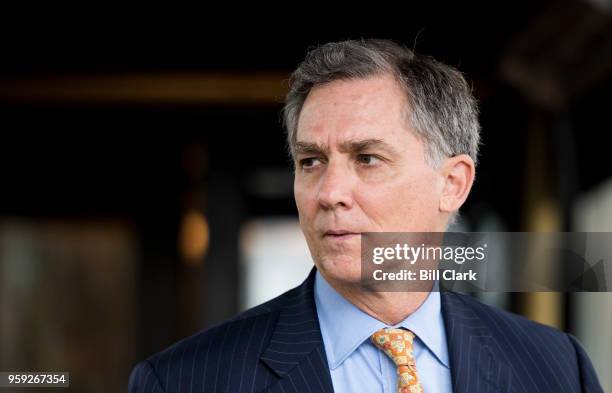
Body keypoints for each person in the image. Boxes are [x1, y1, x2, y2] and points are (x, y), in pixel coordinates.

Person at [128, 39, 603, 393]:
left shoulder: (557, 368)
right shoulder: (183, 380)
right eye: (311, 161)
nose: (330, 192)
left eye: (367, 158)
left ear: (452, 183)